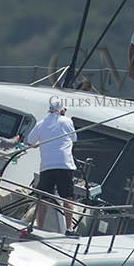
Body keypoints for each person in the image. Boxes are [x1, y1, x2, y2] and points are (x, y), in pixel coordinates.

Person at [26, 94, 79, 234]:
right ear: (62, 110)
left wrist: (37, 144)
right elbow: (74, 138)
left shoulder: (41, 123)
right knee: (67, 197)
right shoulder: (67, 122)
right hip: (65, 165)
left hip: (47, 166)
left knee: (43, 197)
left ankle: (39, 226)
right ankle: (69, 228)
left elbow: (30, 142)